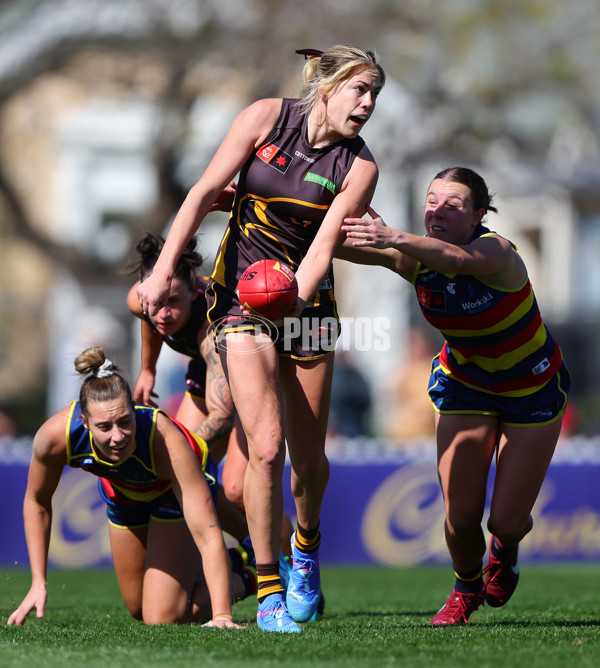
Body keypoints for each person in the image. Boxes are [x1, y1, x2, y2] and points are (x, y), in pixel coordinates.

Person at [137, 45, 385, 632]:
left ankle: (307, 544)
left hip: (306, 308)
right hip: (236, 303)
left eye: (375, 94)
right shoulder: (264, 118)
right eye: (360, 90)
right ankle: (270, 590)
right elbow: (200, 195)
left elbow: (323, 247)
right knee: (265, 448)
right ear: (326, 88)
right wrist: (164, 267)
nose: (369, 104)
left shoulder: (361, 168)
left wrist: (293, 294)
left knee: (307, 463)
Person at [341, 166, 571, 626]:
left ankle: (507, 548)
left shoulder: (497, 250)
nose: (437, 210)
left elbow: (457, 260)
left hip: (531, 388)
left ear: (478, 214)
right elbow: (335, 240)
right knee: (459, 518)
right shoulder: (413, 257)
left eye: (453, 204)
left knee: (504, 522)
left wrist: (392, 235)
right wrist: (262, 208)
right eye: (431, 201)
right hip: (466, 385)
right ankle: (465, 588)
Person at [8, 346, 247, 628]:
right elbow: (37, 502)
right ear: (84, 422)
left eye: (124, 421)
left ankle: (250, 569)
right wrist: (38, 582)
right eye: (104, 427)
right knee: (138, 607)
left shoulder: (165, 441)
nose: (117, 436)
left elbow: (206, 533)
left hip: (173, 492)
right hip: (124, 494)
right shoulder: (54, 438)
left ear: (135, 410)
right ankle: (231, 553)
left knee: (163, 617)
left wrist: (221, 615)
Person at [126, 232, 294, 559]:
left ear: (193, 293)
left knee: (234, 490)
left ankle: (294, 562)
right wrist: (148, 368)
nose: (163, 313)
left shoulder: (209, 327)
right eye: (157, 302)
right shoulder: (142, 299)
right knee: (189, 479)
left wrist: (168, 454)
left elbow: (220, 417)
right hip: (209, 380)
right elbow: (146, 314)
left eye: (173, 301)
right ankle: (252, 549)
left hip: (254, 379)